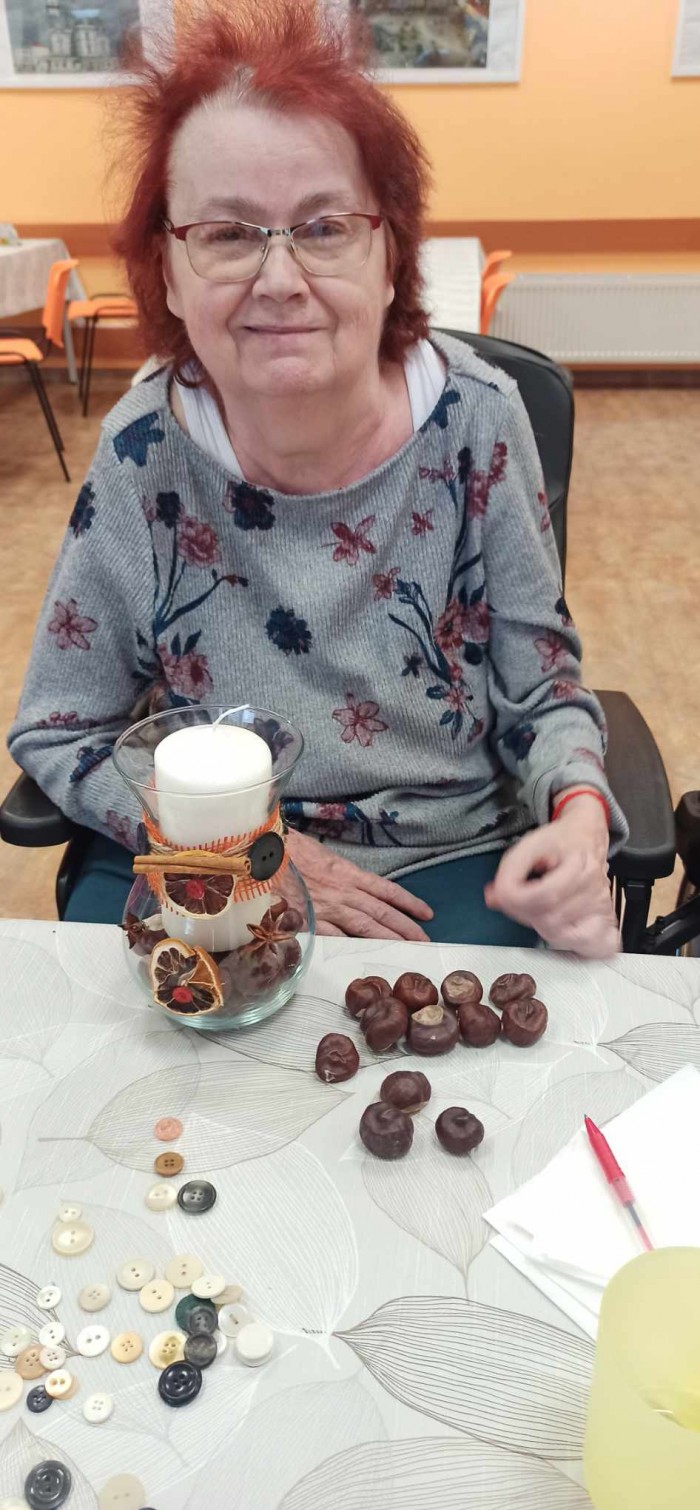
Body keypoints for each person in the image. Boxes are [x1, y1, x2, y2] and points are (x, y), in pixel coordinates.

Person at [8, 1, 626, 955]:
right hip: (208, 848)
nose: (280, 279)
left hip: (451, 856)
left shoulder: (478, 419)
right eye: (228, 233)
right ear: (166, 271)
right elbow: (60, 729)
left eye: (324, 227)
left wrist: (579, 816)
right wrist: (253, 850)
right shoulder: (143, 450)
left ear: (391, 257)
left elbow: (542, 695)